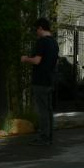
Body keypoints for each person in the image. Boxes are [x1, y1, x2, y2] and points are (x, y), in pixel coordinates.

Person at [21, 17, 59, 145]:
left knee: (42, 110)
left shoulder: (42, 42)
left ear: (40, 28)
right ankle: (49, 137)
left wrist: (26, 59)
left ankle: (43, 137)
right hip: (50, 79)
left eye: (36, 29)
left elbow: (37, 60)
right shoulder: (54, 43)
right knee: (48, 110)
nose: (35, 32)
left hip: (40, 80)